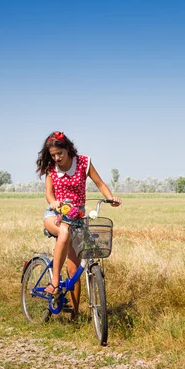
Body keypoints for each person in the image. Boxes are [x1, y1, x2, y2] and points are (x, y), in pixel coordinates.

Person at [36, 131, 121, 320]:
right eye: (53, 155)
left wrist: (110, 198)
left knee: (74, 270)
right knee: (64, 232)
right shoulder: (52, 169)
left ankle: (75, 314)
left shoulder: (83, 163)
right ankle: (55, 281)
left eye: (60, 153)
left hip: (77, 216)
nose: (57, 158)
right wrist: (54, 203)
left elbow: (100, 183)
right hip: (55, 215)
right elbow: (49, 194)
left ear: (68, 149)